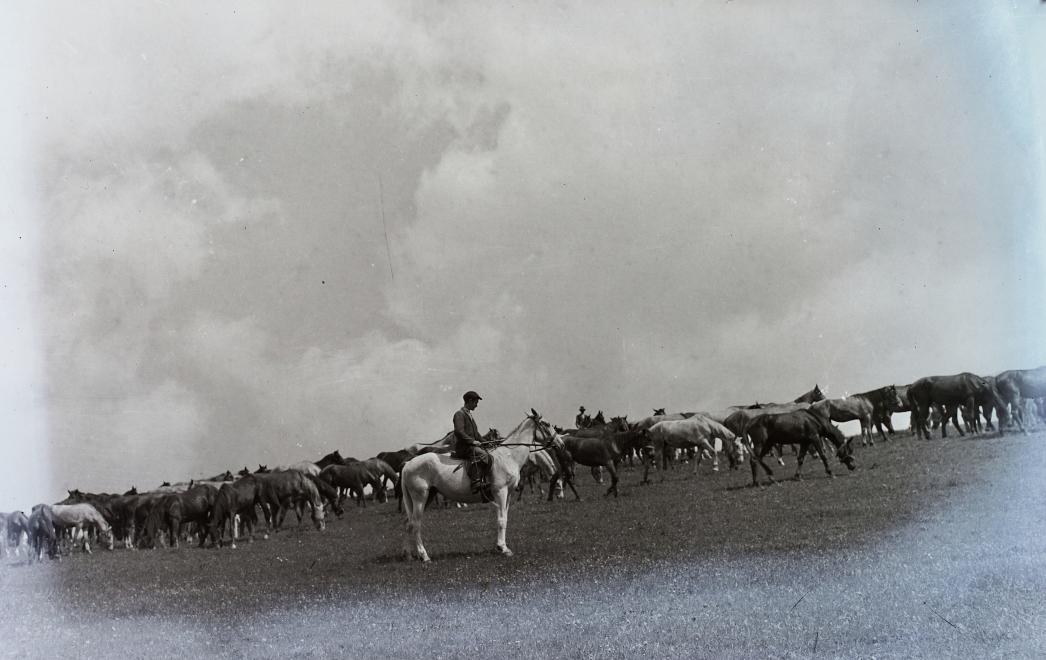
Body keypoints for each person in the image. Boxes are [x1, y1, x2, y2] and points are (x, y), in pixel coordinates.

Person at [453, 391, 492, 501]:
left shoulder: (469, 415)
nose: (477, 405)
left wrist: (486, 442)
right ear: (470, 401)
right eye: (476, 402)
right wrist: (472, 441)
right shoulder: (459, 414)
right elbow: (459, 432)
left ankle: (485, 482)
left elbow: (476, 434)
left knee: (490, 453)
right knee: (482, 454)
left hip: (471, 446)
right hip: (464, 447)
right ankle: (476, 483)